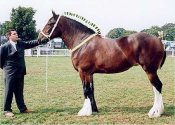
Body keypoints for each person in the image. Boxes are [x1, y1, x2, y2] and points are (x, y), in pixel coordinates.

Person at [0, 29, 47, 117]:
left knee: (19, 92)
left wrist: (41, 40)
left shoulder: (21, 43)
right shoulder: (4, 47)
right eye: (14, 34)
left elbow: (31, 43)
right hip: (10, 73)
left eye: (17, 33)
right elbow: (0, 61)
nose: (16, 35)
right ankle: (7, 110)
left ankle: (23, 108)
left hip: (20, 72)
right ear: (9, 36)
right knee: (9, 91)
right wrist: (6, 69)